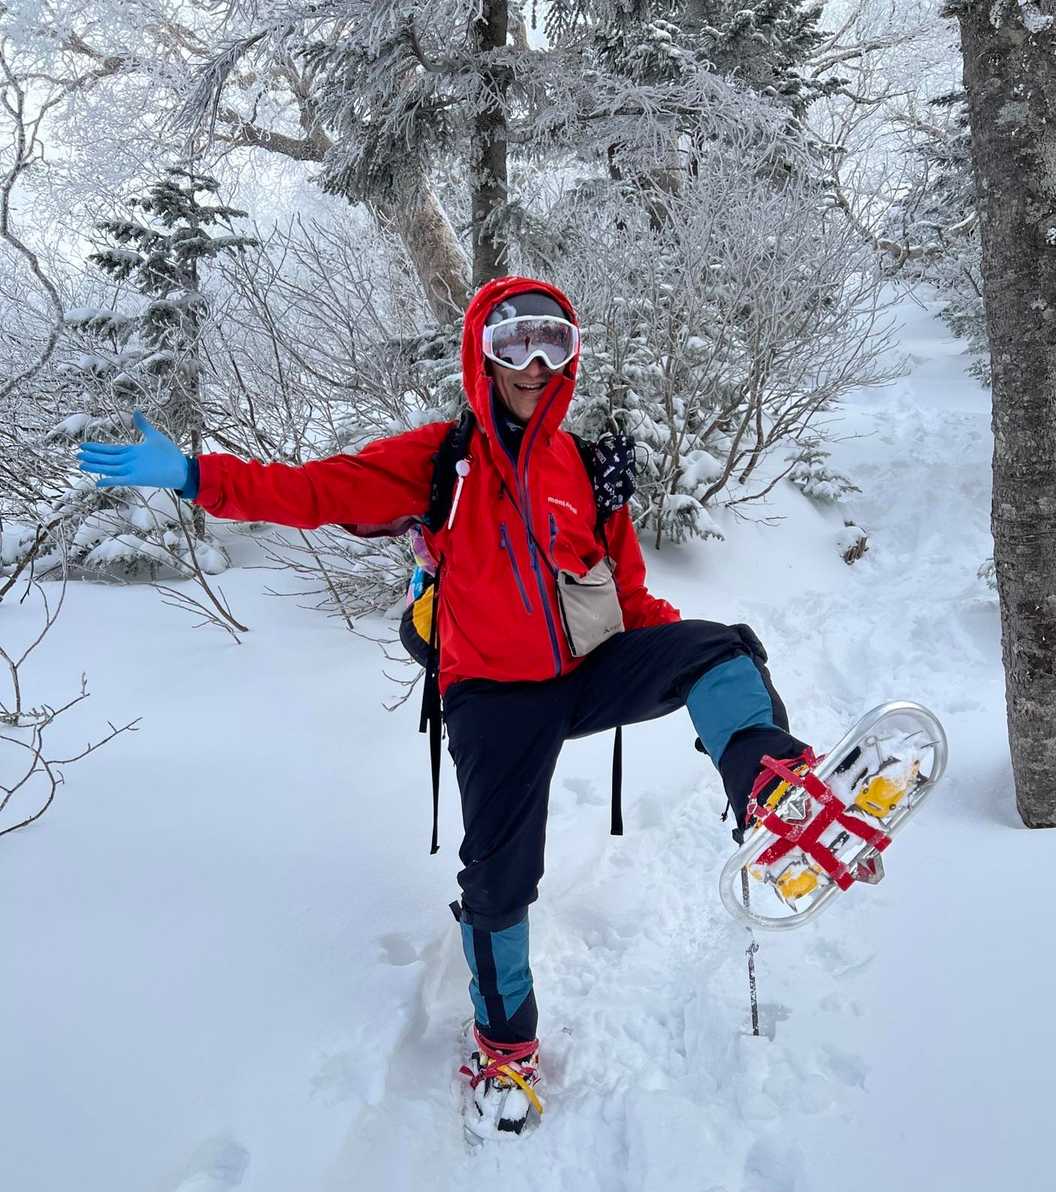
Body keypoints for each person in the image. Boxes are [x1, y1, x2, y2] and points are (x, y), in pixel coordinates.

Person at [78, 276, 811, 1141]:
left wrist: (671, 654)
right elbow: (310, 491)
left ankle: (774, 794)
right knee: (499, 881)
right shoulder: (440, 459)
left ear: (571, 358)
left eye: (552, 343)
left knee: (722, 648)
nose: (534, 363)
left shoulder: (587, 469)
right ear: (482, 356)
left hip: (584, 671)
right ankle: (506, 1049)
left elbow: (629, 597)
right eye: (514, 344)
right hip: (491, 696)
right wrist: (196, 476)